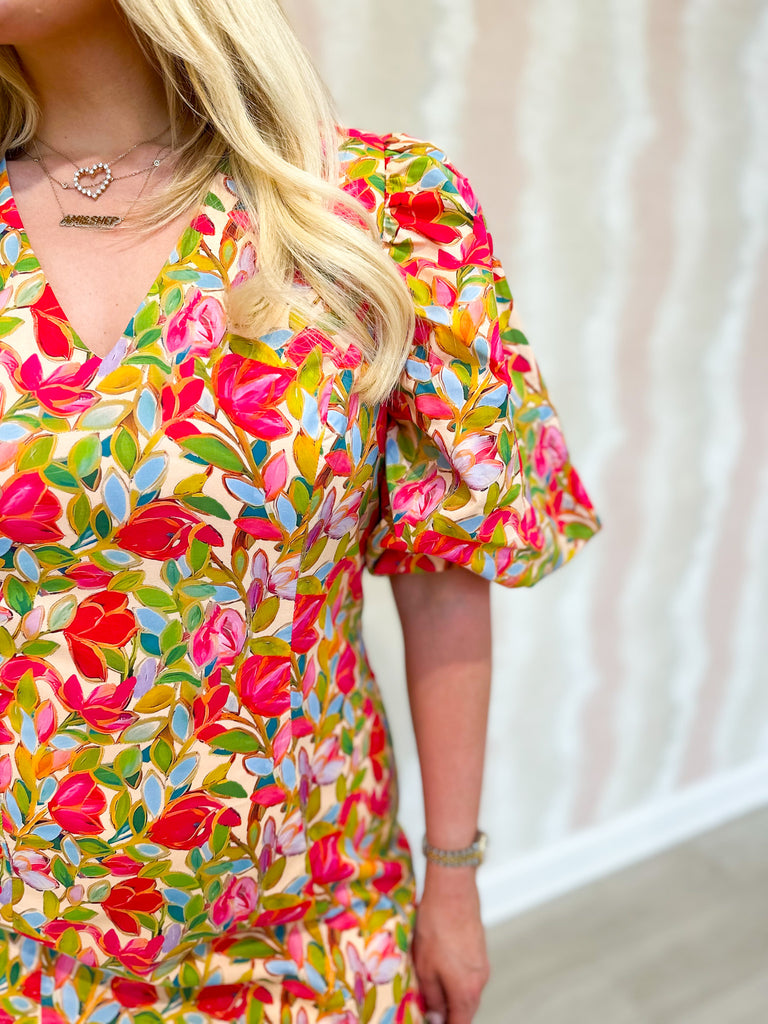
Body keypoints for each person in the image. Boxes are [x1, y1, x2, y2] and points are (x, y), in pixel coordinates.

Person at [0, 1, 600, 1022]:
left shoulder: (375, 212)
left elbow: (442, 571)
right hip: (30, 945)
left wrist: (452, 876)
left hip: (309, 927)